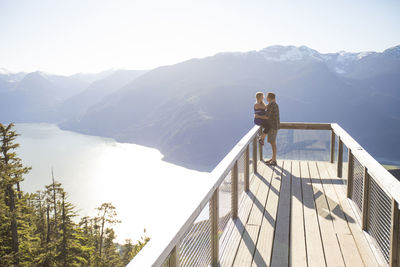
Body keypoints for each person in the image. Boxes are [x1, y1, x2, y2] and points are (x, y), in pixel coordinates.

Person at [254, 92, 280, 166]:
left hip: (273, 126)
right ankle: (273, 158)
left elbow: (266, 117)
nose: (265, 98)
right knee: (273, 143)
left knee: (273, 143)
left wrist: (257, 116)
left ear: (269, 98)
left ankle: (274, 160)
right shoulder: (274, 104)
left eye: (267, 97)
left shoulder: (272, 105)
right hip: (274, 125)